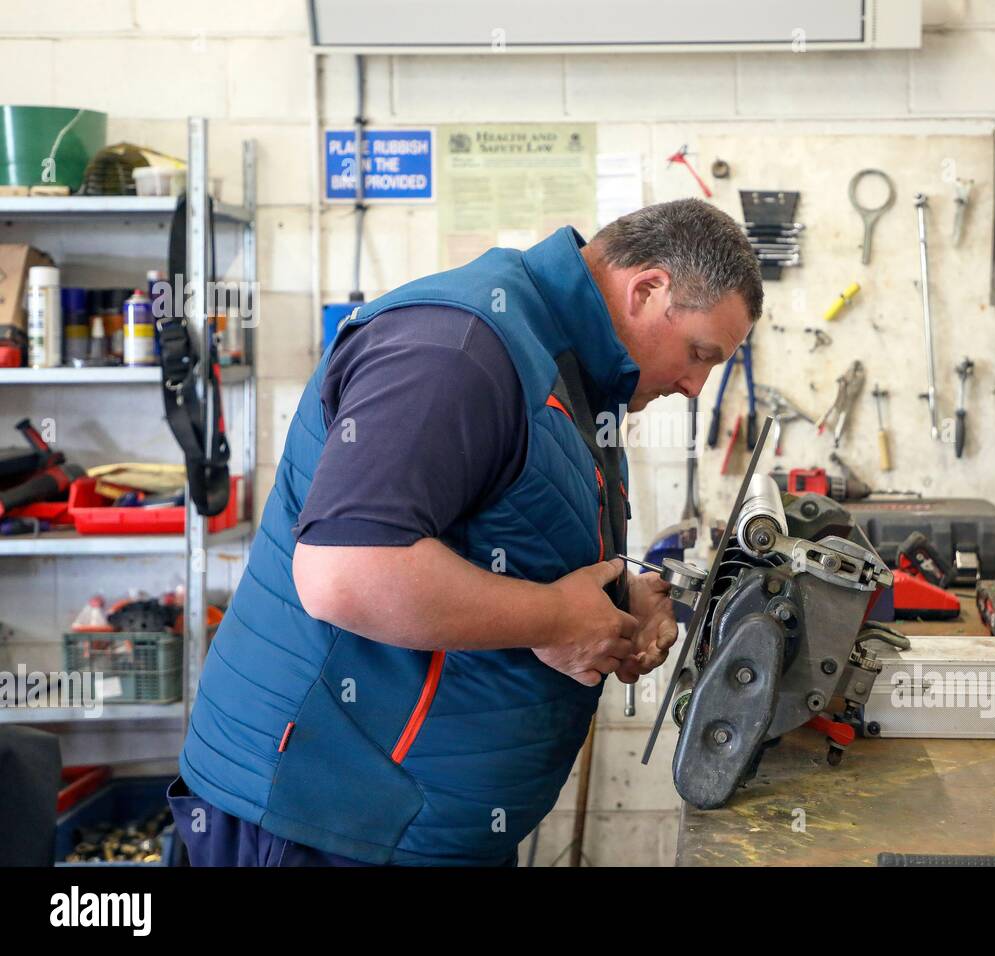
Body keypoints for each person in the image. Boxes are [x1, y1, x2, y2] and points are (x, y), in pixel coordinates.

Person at [168, 198, 763, 866]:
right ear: (648, 289)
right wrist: (556, 621)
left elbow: (495, 538)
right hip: (325, 824)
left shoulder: (565, 367)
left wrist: (615, 601)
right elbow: (346, 571)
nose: (694, 385)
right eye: (699, 354)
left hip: (415, 827)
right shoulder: (460, 348)